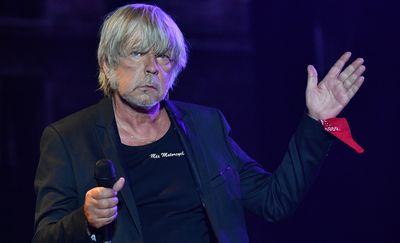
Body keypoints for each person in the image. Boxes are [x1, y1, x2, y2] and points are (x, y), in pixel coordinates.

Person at [33, 3, 366, 243]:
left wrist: (317, 122)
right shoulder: (68, 138)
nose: (152, 67)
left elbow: (274, 200)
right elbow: (46, 236)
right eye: (137, 53)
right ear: (107, 65)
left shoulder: (206, 126)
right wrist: (86, 220)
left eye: (163, 56)